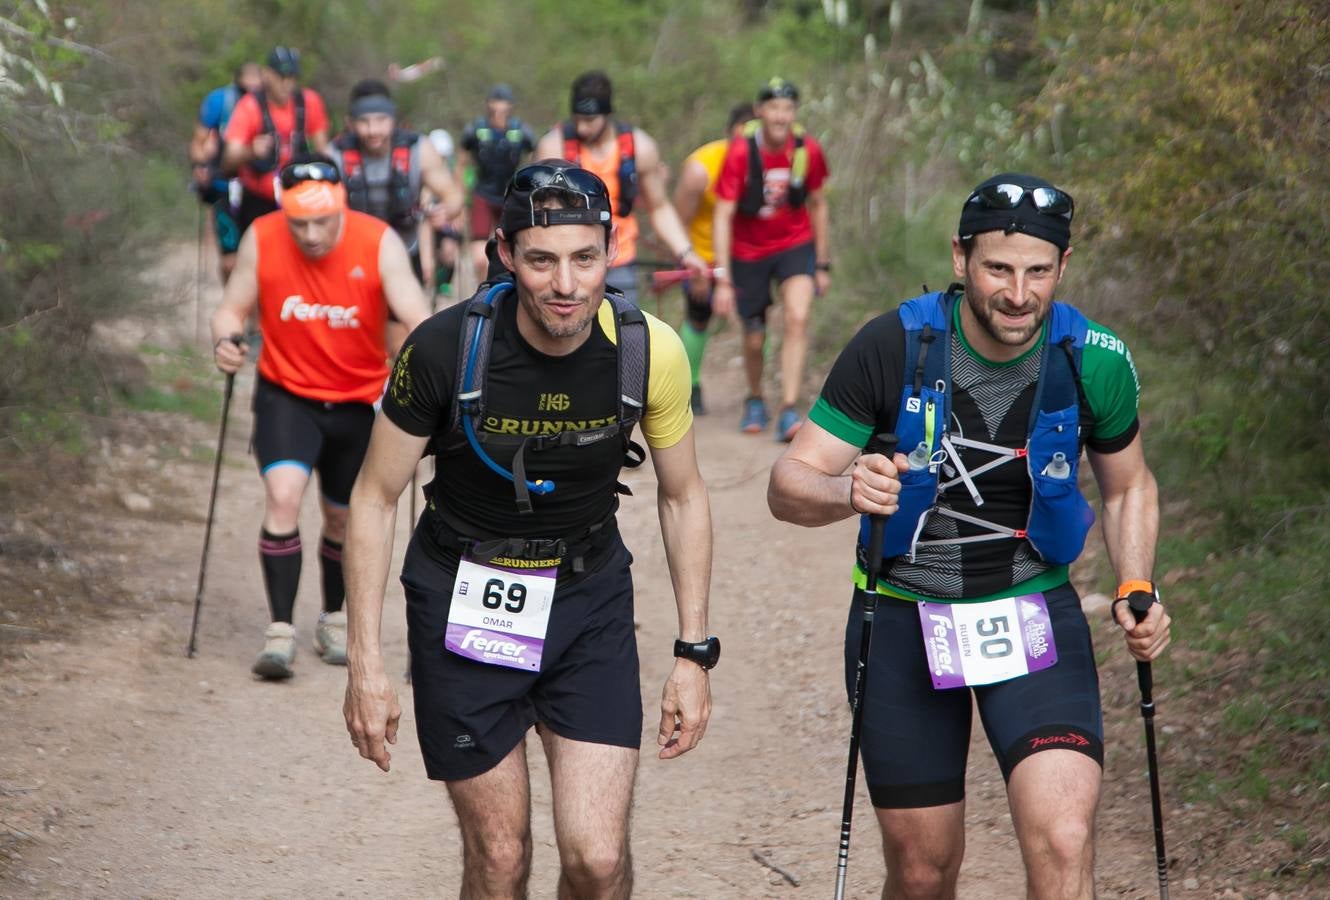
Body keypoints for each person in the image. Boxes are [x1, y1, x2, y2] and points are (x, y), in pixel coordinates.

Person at [767, 173, 1171, 899]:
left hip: (1032, 609)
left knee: (1064, 838)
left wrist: (1135, 582)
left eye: (1038, 271)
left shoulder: (1095, 357)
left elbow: (1128, 484)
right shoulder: (894, 344)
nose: (1019, 293)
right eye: (998, 269)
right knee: (923, 871)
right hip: (902, 614)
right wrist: (844, 490)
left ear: (1063, 267)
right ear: (960, 259)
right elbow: (789, 484)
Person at [342, 161, 716, 898]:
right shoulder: (445, 349)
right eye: (542, 260)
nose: (566, 284)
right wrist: (366, 667)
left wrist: (693, 653)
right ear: (507, 255)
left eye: (584, 257)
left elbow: (684, 497)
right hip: (462, 596)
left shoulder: (649, 352)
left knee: (597, 861)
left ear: (613, 251)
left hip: (586, 601)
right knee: (500, 858)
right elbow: (375, 498)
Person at [210, 157, 431, 680]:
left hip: (357, 399)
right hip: (286, 394)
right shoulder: (262, 237)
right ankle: (280, 629)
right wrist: (224, 340)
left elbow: (417, 315)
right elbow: (231, 308)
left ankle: (333, 617)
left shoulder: (377, 241)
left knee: (340, 517)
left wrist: (422, 362)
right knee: (283, 497)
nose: (310, 233)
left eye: (321, 220)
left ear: (341, 204)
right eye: (299, 222)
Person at [712, 77, 831, 441]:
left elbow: (819, 204)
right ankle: (755, 397)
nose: (781, 115)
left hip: (795, 244)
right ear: (760, 111)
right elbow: (722, 213)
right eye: (775, 107)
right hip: (748, 251)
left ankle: (789, 408)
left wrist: (823, 264)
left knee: (797, 317)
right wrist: (722, 277)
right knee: (753, 336)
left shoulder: (806, 150)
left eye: (788, 108)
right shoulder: (739, 152)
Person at [535, 70, 707, 305]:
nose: (582, 128)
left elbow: (659, 207)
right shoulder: (553, 148)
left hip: (620, 260)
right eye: (577, 119)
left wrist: (686, 253)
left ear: (607, 114)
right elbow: (536, 212)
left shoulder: (641, 148)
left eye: (590, 120)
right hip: (569, 262)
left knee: (624, 334)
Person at [326, 79, 464, 288]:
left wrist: (445, 212)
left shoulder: (419, 149)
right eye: (364, 122)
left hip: (405, 251)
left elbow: (453, 196)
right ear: (350, 123)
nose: (373, 130)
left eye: (381, 120)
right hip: (352, 255)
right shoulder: (334, 155)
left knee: (410, 319)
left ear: (393, 118)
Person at [671, 101, 757, 415]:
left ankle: (756, 394)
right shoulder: (701, 167)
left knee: (755, 320)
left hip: (747, 255)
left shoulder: (770, 164)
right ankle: (688, 384)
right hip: (702, 257)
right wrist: (689, 263)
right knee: (698, 316)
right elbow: (677, 220)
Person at [221, 47, 330, 241]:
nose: (287, 83)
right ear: (266, 75)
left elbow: (324, 152)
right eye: (281, 76)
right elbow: (228, 160)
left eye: (292, 77)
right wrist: (251, 151)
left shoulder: (309, 101)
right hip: (259, 197)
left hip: (299, 194)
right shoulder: (249, 106)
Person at [189, 62, 262, 283]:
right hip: (224, 187)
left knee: (261, 256)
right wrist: (200, 167)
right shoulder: (220, 100)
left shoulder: (272, 104)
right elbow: (198, 142)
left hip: (260, 189)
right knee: (230, 260)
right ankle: (233, 305)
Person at [458, 83, 536, 283]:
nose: (499, 107)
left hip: (509, 195)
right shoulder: (476, 129)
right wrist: (459, 198)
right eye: (496, 102)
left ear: (510, 106)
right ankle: (483, 291)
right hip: (483, 193)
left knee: (510, 252)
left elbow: (536, 158)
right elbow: (461, 163)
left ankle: (506, 291)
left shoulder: (521, 131)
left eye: (504, 103)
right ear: (489, 104)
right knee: (479, 258)